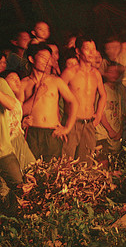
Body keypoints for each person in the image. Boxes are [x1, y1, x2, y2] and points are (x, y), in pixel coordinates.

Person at [21, 43, 78, 162]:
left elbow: (73, 102)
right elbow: (19, 110)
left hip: (52, 132)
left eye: (49, 58)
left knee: (52, 172)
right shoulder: (24, 84)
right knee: (32, 170)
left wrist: (67, 128)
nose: (46, 61)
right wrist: (37, 95)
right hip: (32, 132)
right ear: (31, 59)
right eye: (42, 57)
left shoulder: (55, 81)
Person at [61, 37, 107, 162]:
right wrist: (58, 120)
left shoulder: (96, 74)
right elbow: (56, 94)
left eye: (94, 49)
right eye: (87, 49)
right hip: (72, 122)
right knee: (66, 162)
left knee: (87, 163)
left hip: (89, 124)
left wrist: (98, 115)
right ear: (78, 51)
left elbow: (103, 95)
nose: (92, 53)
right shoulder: (70, 73)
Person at [0, 71, 35, 170]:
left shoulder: (15, 100)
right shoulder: (4, 100)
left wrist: (22, 124)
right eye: (12, 78)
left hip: (19, 139)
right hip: (9, 142)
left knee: (32, 168)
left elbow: (13, 121)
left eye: (18, 78)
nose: (17, 81)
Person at [0, 74, 24, 214]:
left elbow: (11, 104)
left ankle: (16, 229)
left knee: (19, 190)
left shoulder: (1, 83)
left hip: (4, 151)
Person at [96, 62, 126, 165]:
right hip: (103, 134)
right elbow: (101, 113)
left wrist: (120, 131)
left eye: (116, 72)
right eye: (111, 72)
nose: (114, 75)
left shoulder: (120, 90)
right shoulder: (102, 89)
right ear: (105, 73)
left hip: (116, 135)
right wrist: (110, 130)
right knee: (103, 164)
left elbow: (122, 113)